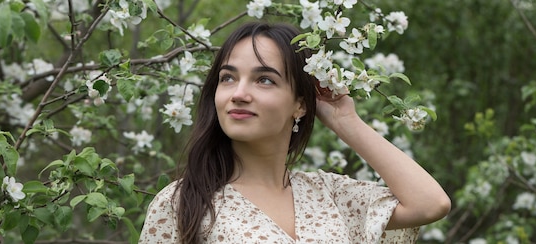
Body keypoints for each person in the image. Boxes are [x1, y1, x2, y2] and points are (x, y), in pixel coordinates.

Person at [139, 22, 451, 243]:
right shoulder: (182, 203)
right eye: (228, 78)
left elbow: (429, 204)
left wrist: (346, 122)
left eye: (264, 80)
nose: (239, 93)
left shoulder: (330, 194)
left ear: (299, 104)